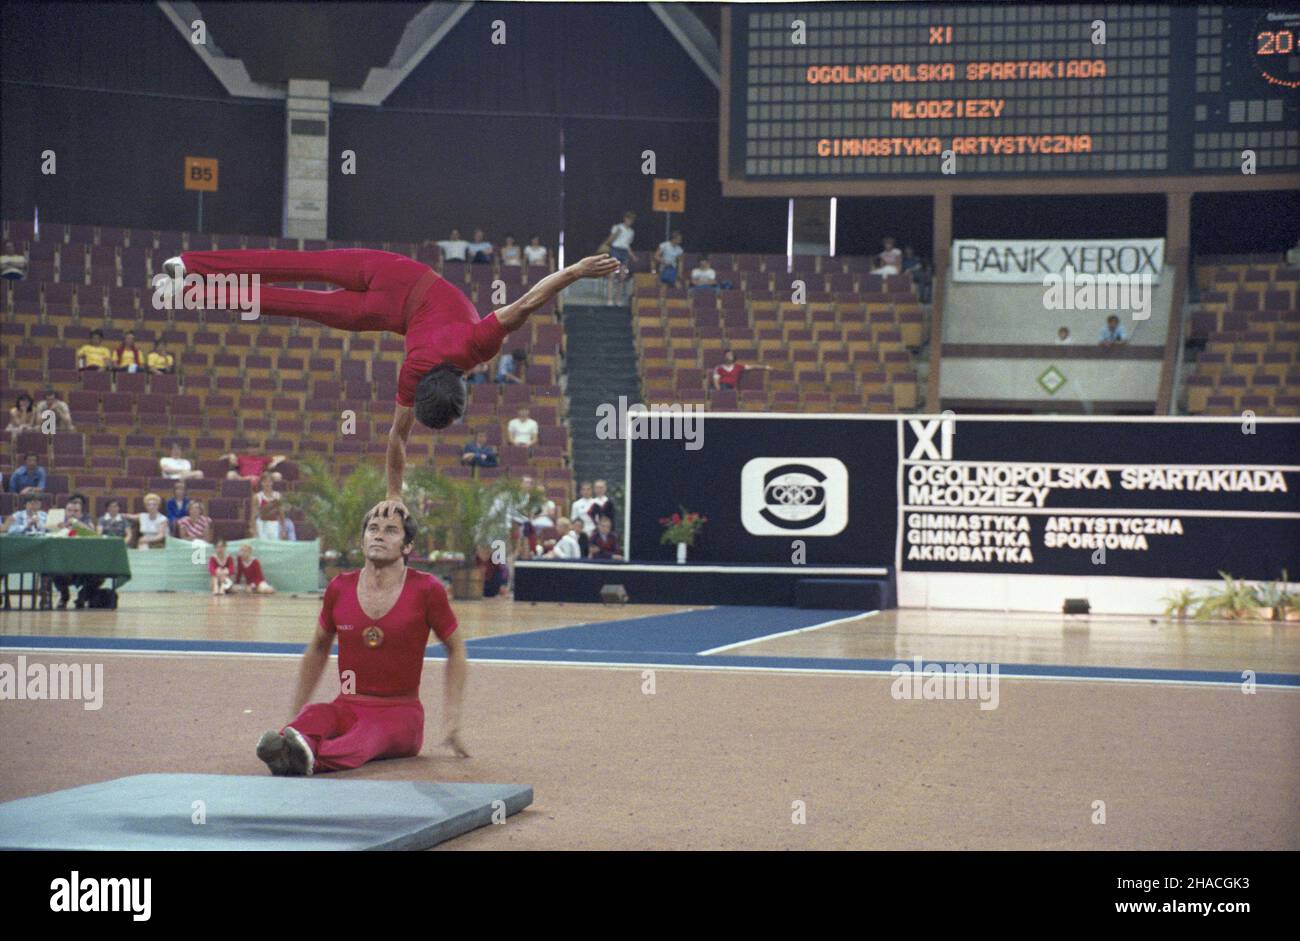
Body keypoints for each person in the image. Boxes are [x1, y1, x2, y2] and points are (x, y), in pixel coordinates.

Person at [159, 248, 618, 506]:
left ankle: (189, 264)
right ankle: (192, 289)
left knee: (295, 264)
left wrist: (576, 271)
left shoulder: (481, 345)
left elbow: (529, 302)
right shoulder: (411, 372)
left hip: (393, 271)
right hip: (377, 312)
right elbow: (396, 440)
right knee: (293, 302)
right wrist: (395, 492)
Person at [254, 502, 468, 776]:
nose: (378, 535)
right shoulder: (340, 587)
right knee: (316, 715)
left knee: (364, 737)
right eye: (373, 529)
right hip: (349, 702)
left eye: (391, 531)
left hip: (400, 714)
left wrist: (452, 719)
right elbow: (318, 648)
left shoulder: (426, 589)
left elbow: (457, 650)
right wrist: (296, 713)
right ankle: (292, 743)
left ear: (407, 547)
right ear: (363, 539)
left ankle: (306, 758)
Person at [221, 444, 286, 483]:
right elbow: (221, 458)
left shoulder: (262, 458)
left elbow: (283, 457)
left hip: (259, 480)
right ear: (248, 449)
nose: (253, 450)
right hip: (243, 479)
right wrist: (230, 455)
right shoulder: (241, 458)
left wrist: (275, 462)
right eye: (251, 448)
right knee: (230, 474)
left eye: (255, 448)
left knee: (277, 475)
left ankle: (275, 496)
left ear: (258, 449)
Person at [251, 472, 283, 540]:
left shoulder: (277, 496)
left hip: (274, 524)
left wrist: (283, 528)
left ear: (272, 482)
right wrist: (254, 530)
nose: (267, 483)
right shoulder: (257, 497)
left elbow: (281, 513)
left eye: (269, 481)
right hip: (261, 524)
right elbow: (254, 515)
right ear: (261, 483)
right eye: (265, 481)